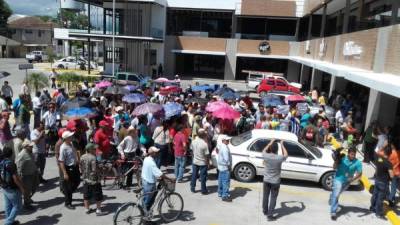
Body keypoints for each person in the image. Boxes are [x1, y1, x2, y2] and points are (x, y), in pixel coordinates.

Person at [329, 147, 362, 220]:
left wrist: (352, 179)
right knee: (337, 194)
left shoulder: (358, 162)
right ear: (348, 153)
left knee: (337, 194)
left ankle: (332, 196)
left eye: (354, 155)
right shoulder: (342, 158)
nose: (353, 156)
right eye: (351, 154)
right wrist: (336, 160)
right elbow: (334, 168)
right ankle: (333, 212)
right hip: (338, 179)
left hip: (347, 181)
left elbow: (360, 173)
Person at [141, 146, 174, 212]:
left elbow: (153, 172)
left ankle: (144, 211)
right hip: (149, 183)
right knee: (148, 201)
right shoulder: (151, 163)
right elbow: (160, 174)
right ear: (152, 153)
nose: (157, 154)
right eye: (156, 152)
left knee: (146, 198)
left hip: (145, 180)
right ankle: (146, 217)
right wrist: (170, 179)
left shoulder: (146, 159)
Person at [262, 139, 288, 221]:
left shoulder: (266, 155)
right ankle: (270, 215)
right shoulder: (279, 158)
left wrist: (270, 143)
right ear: (277, 149)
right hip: (275, 181)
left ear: (270, 148)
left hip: (266, 180)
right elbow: (286, 155)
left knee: (265, 196)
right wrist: (282, 144)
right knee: (273, 198)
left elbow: (263, 150)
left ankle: (265, 210)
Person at [1, 147, 26, 225]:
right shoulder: (11, 164)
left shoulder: (1, 162)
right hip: (12, 188)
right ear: (12, 154)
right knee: (17, 206)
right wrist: (22, 188)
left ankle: (10, 221)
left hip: (5, 187)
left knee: (8, 205)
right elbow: (15, 178)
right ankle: (8, 223)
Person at [80, 143, 104, 216]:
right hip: (94, 180)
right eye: (94, 149)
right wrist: (100, 168)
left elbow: (80, 167)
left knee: (86, 195)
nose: (95, 150)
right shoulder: (93, 158)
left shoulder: (82, 157)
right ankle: (98, 210)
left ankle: (87, 209)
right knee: (98, 195)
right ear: (90, 150)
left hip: (85, 179)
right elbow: (94, 169)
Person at [370, 144, 393, 219]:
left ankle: (372, 207)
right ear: (390, 154)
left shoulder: (379, 158)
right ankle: (378, 213)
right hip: (384, 182)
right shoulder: (389, 163)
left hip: (377, 180)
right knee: (380, 198)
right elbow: (391, 175)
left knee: (375, 195)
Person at [59, 131, 80, 209]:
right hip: (68, 168)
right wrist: (65, 173)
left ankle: (67, 192)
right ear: (66, 138)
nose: (72, 137)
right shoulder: (63, 148)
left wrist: (77, 159)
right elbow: (61, 161)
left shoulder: (71, 144)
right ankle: (68, 203)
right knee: (68, 186)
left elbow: (75, 153)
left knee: (77, 181)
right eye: (70, 136)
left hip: (75, 167)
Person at [15, 140, 39, 210]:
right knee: (27, 190)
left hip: (34, 173)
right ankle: (26, 204)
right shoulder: (21, 155)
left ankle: (28, 198)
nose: (32, 147)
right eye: (30, 146)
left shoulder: (30, 152)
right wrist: (20, 178)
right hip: (26, 176)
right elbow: (18, 167)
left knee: (35, 186)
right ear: (25, 147)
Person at [190, 129, 210, 194]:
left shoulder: (193, 141)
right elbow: (207, 155)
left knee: (194, 175)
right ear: (204, 135)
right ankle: (203, 190)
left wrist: (193, 157)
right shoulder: (204, 144)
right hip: (202, 162)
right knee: (203, 177)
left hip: (195, 161)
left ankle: (192, 188)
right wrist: (208, 163)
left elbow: (191, 150)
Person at [217, 135, 232, 202]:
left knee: (221, 180)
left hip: (220, 167)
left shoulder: (221, 146)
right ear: (223, 140)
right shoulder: (225, 148)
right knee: (225, 182)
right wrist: (229, 166)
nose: (228, 141)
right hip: (225, 167)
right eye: (227, 140)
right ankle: (225, 196)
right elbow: (227, 159)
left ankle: (220, 192)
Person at [388, 138, 400, 207]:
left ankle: (390, 199)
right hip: (398, 172)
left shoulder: (392, 154)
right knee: (395, 186)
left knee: (393, 186)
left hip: (393, 172)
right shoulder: (398, 153)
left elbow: (388, 163)